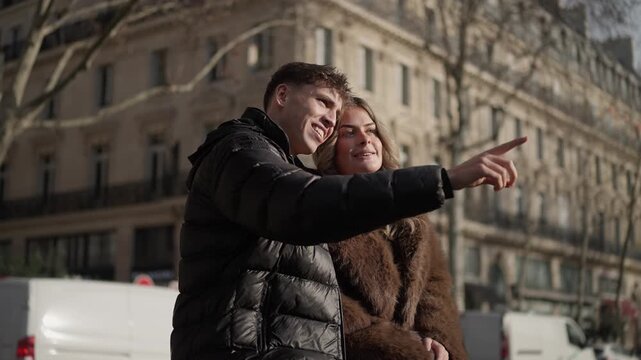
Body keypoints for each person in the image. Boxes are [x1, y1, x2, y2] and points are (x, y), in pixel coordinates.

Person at [171, 62, 525, 360]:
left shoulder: (284, 167)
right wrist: (446, 179)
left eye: (336, 113)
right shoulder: (240, 150)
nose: (329, 120)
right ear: (282, 95)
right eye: (324, 104)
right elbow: (304, 205)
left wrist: (438, 343)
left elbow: (433, 296)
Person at [314, 97, 466, 360]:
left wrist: (438, 341)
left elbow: (435, 290)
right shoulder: (317, 209)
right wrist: (406, 348)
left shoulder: (413, 218)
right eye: (349, 133)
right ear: (330, 149)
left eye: (371, 130)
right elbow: (329, 307)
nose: (364, 139)